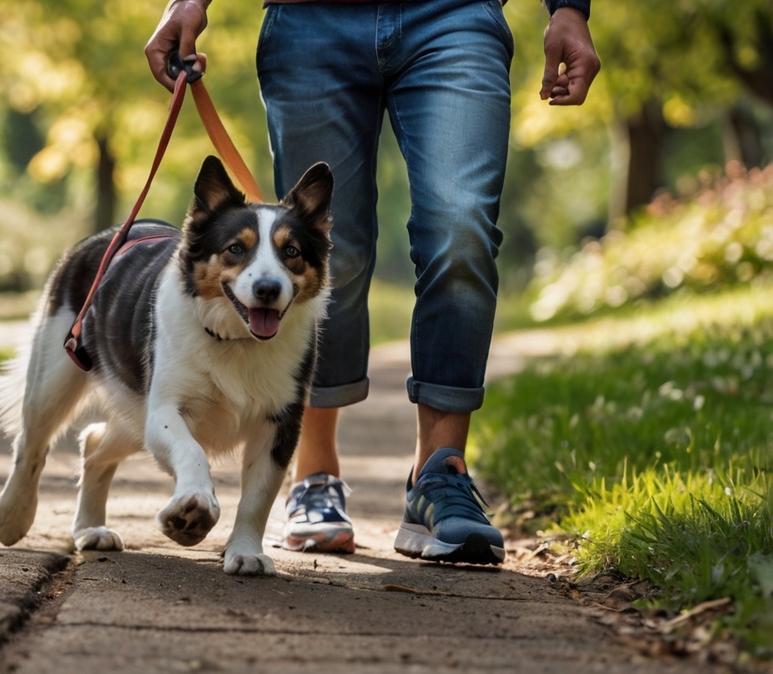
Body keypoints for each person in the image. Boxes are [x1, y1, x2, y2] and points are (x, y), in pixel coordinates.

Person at [145, 0, 599, 563]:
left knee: (462, 231)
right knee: (330, 253)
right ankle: (312, 474)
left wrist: (569, 8)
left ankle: (440, 475)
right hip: (310, 20)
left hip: (455, 16)